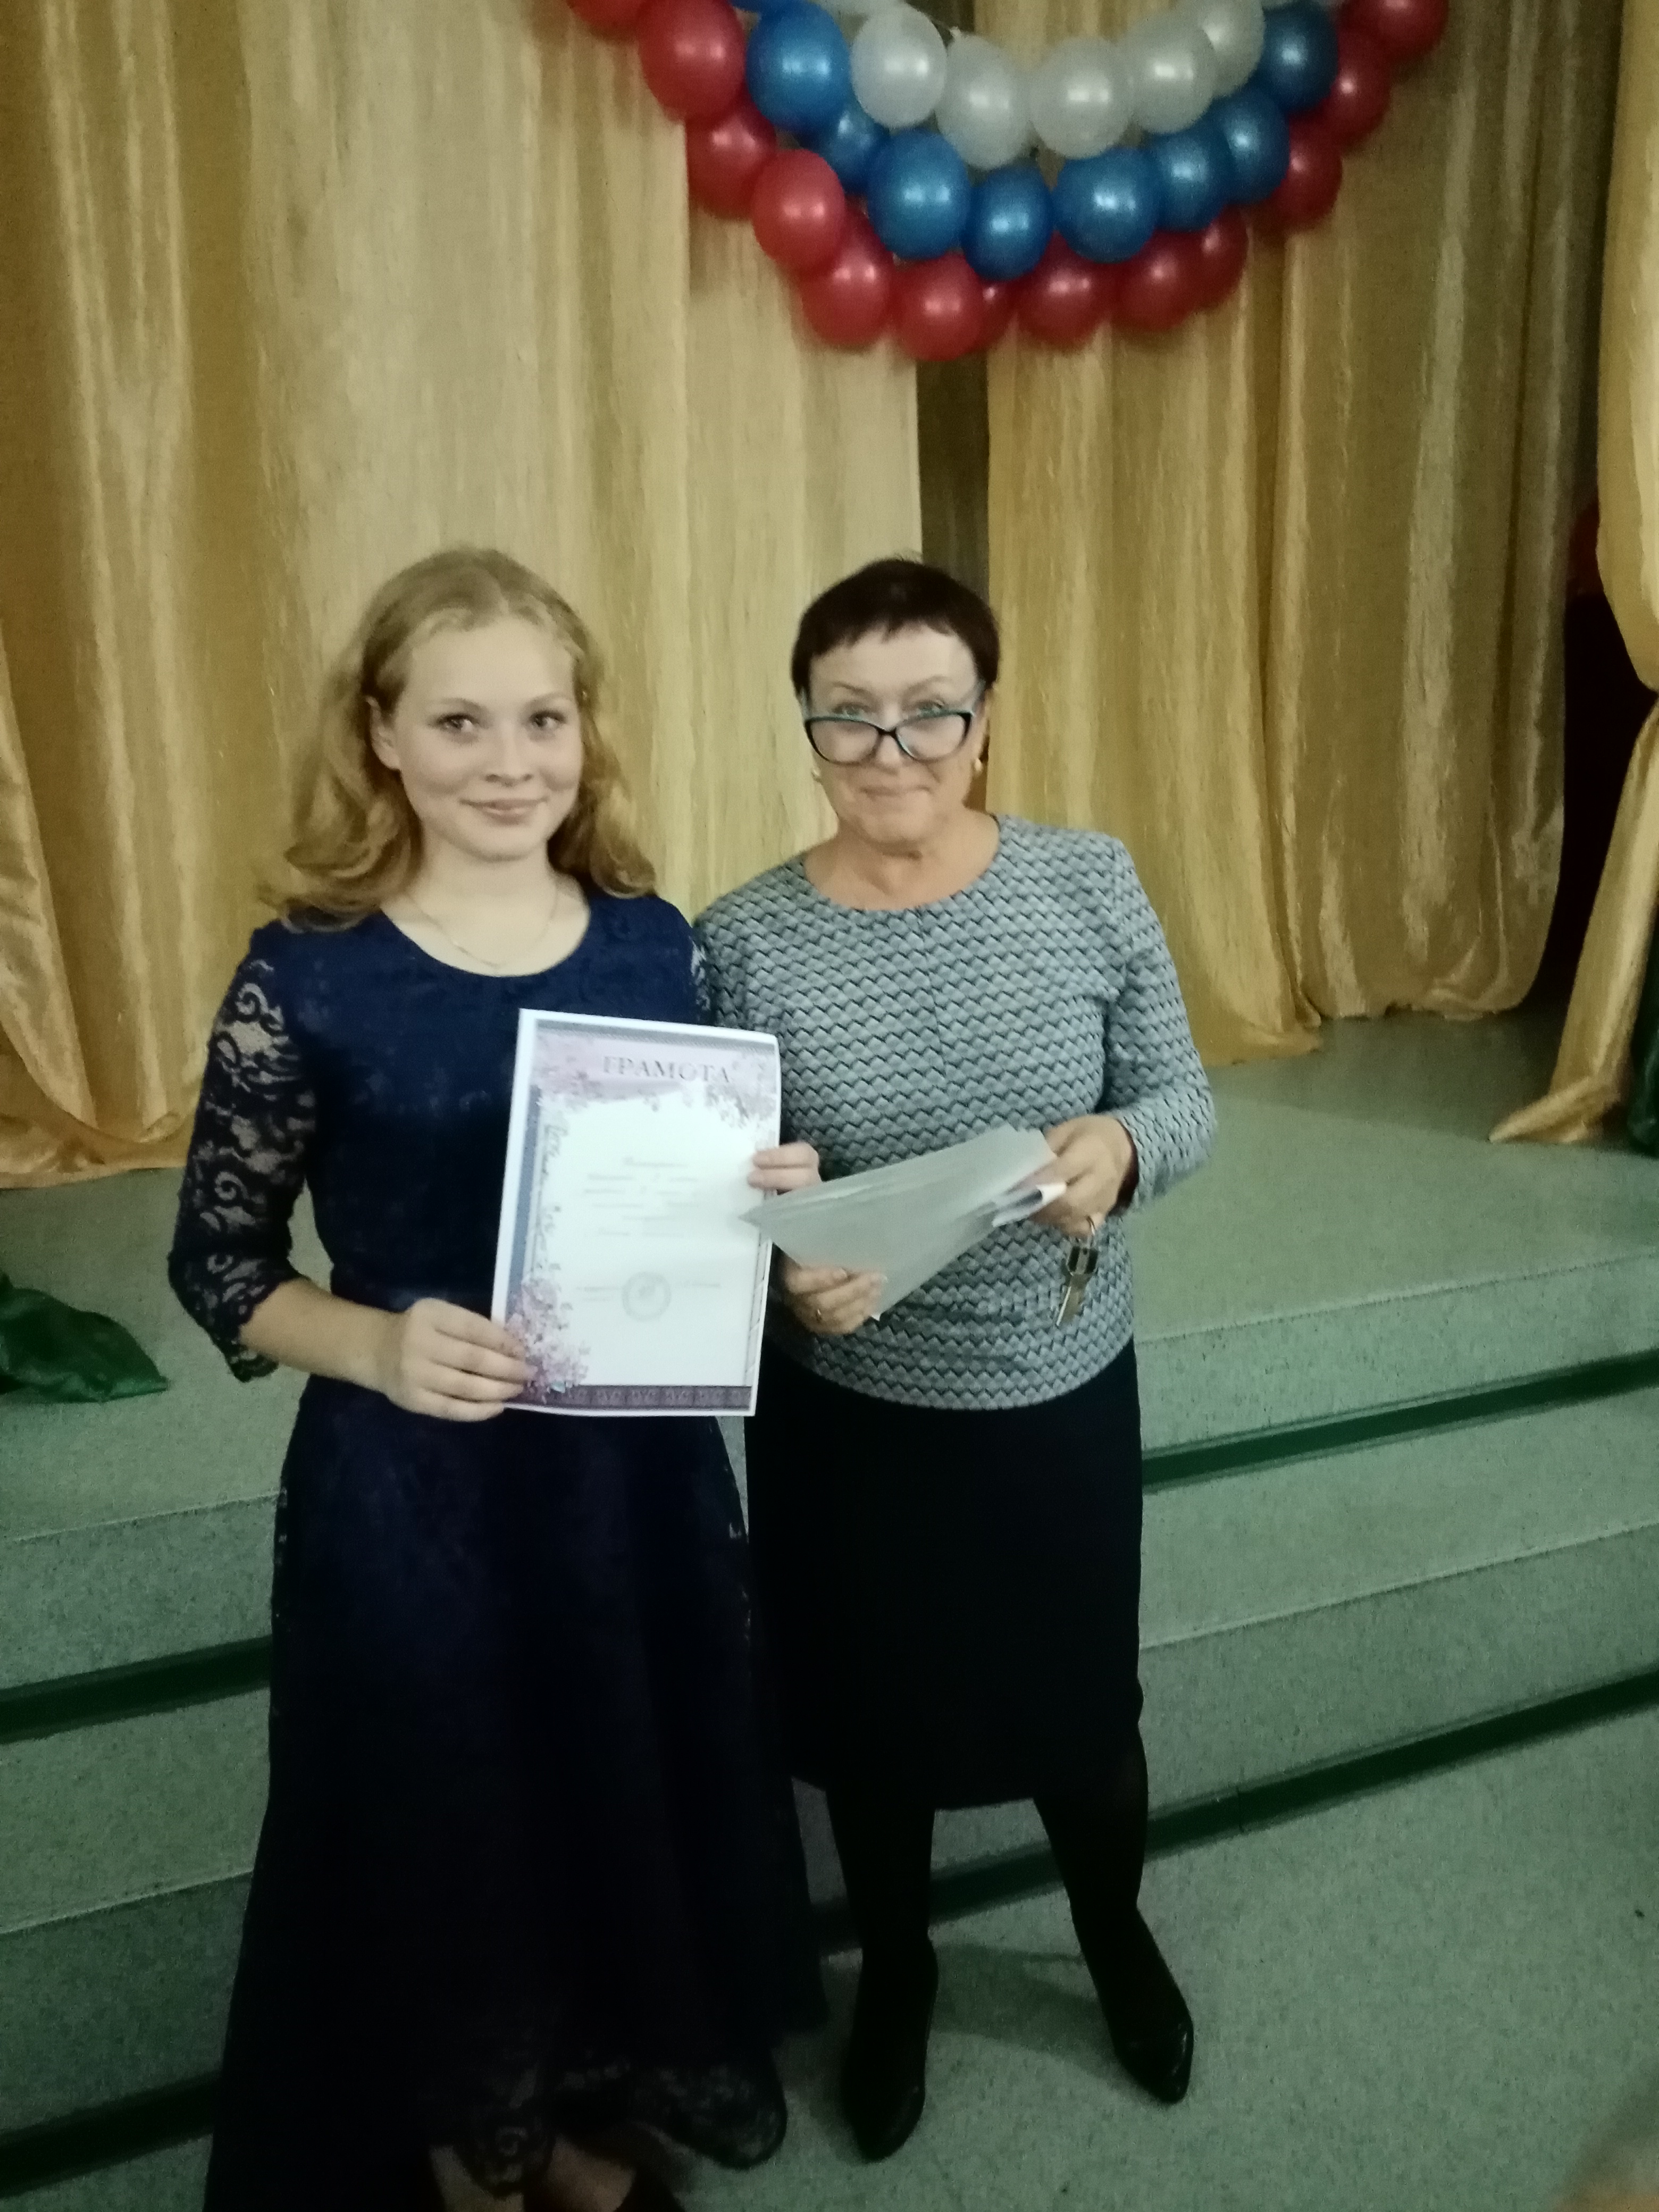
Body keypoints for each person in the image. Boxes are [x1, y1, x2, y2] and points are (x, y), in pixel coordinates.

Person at [169, 548, 824, 2212]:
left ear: (585, 731)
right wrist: (374, 1343)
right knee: (456, 1823)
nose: (510, 761)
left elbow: (688, 1205)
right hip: (420, 1492)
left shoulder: (653, 944)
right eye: (459, 722)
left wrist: (764, 1197)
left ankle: (574, 2129)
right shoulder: (307, 973)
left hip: (631, 1481)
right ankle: (476, 2160)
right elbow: (220, 1265)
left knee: (612, 1794)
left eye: (544, 717)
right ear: (382, 737)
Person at [695, 557, 1216, 2163]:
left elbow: (1184, 1100)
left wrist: (1123, 1149)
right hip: (851, 1411)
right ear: (807, 733)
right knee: (875, 1724)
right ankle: (900, 1973)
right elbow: (712, 1202)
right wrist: (778, 1265)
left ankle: (1111, 1930)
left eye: (930, 712)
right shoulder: (742, 943)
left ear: (985, 726)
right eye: (849, 717)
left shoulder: (1089, 881)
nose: (891, 750)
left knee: (1083, 1710)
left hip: (1055, 1391)